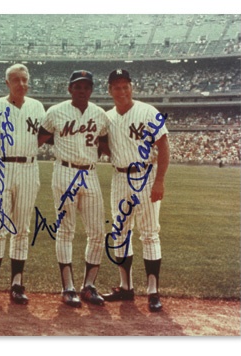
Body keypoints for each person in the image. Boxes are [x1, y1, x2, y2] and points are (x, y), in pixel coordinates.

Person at [38, 70, 108, 308]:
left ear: (91, 90)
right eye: (77, 86)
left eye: (86, 87)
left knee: (98, 232)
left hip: (90, 172)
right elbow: (41, 138)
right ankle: (68, 287)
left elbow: (106, 144)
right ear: (70, 89)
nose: (82, 90)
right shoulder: (55, 112)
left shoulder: (100, 114)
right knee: (66, 230)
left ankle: (89, 286)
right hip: (65, 171)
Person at [102, 69, 170, 312]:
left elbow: (163, 145)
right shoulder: (106, 117)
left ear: (132, 87)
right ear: (109, 90)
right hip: (120, 176)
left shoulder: (148, 111)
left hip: (146, 174)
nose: (121, 91)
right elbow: (103, 144)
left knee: (150, 233)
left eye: (125, 86)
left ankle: (153, 291)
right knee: (120, 233)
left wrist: (159, 180)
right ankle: (126, 287)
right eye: (116, 87)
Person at [0, 64, 46, 305]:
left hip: (28, 168)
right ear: (7, 83)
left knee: (22, 228)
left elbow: (45, 133)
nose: (21, 84)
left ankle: (17, 283)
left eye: (25, 80)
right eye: (16, 80)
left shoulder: (37, 106)